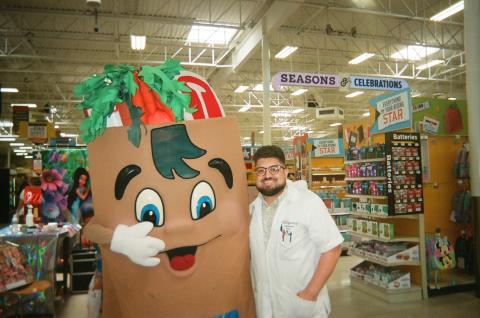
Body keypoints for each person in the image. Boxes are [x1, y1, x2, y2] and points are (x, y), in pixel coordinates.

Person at [249, 145, 343, 318]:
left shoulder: (307, 202)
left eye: (274, 169)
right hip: (266, 306)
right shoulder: (252, 209)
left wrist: (310, 293)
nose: (267, 175)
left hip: (301, 304)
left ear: (285, 172)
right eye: (261, 171)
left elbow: (332, 248)